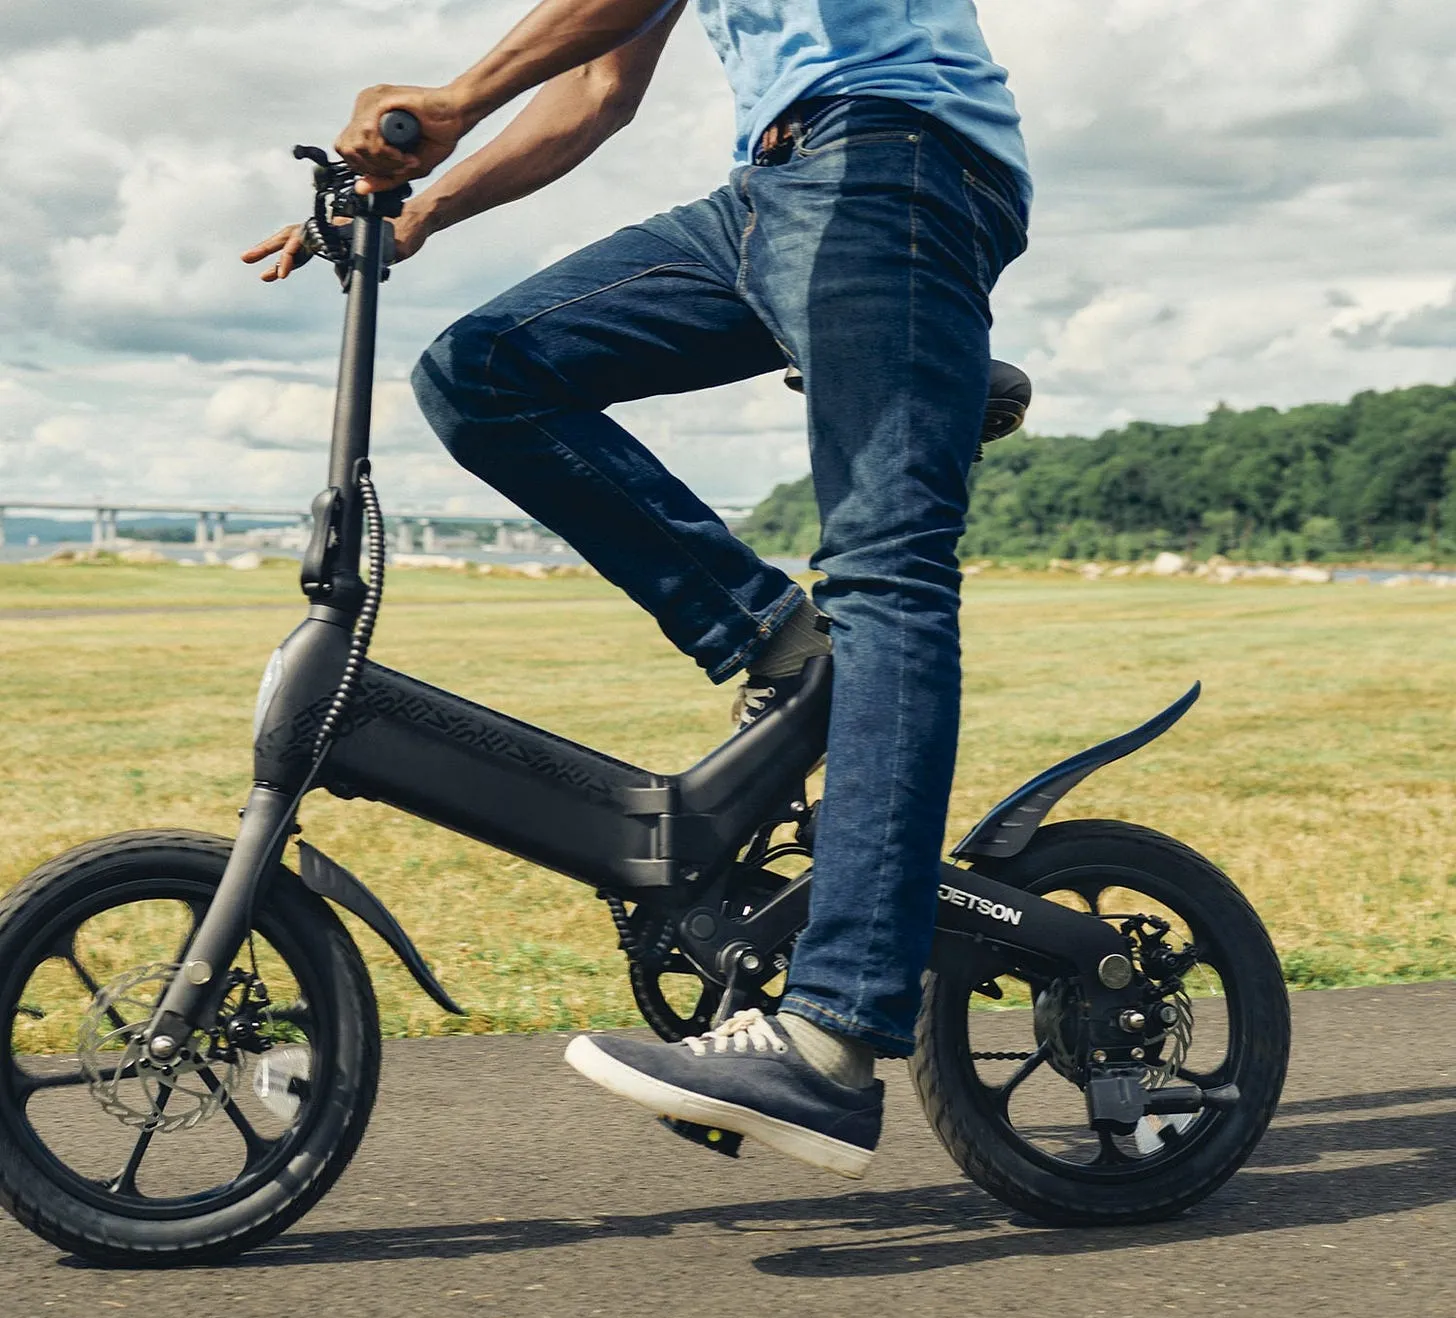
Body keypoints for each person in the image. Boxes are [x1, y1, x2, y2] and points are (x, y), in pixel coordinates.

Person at [245, 0, 1030, 1180]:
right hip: (770, 187)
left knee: (888, 575)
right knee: (484, 372)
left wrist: (457, 98)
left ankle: (827, 1041)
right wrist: (426, 208)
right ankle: (781, 639)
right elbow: (598, 95)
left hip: (892, 156)